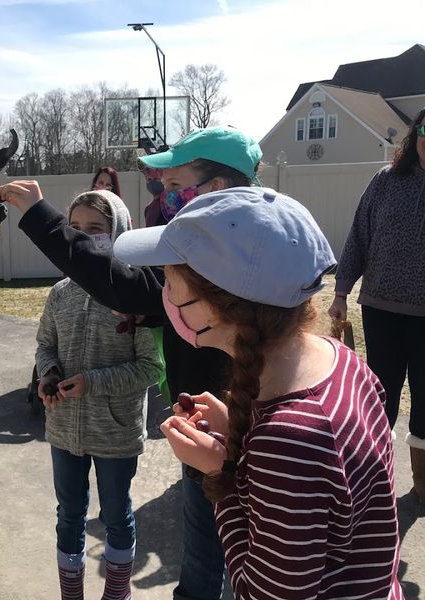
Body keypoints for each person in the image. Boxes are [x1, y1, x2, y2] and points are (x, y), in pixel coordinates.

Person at [0, 126, 262, 600]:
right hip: (207, 424)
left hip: (229, 429)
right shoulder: (238, 241)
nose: (169, 198)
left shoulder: (219, 255)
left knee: (225, 557)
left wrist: (42, 218)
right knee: (210, 553)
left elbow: (121, 282)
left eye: (179, 187)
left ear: (217, 189)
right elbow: (141, 298)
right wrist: (147, 314)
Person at [115, 187, 402, 599]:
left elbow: (262, 592)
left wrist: (218, 475)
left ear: (218, 305)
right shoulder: (343, 361)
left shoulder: (287, 440)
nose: (164, 294)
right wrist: (242, 428)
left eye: (170, 281)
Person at [36, 189, 161, 600]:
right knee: (68, 514)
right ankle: (71, 594)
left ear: (119, 232)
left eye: (96, 229)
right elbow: (45, 345)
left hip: (116, 430)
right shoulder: (60, 293)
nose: (84, 237)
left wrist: (93, 382)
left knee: (115, 514)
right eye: (75, 229)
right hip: (63, 429)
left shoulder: (136, 293)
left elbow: (151, 367)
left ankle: (116, 593)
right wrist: (48, 374)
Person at [328, 109, 425, 502]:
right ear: (414, 135)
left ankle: (422, 483)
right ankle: (374, 477)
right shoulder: (385, 182)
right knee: (380, 390)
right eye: (424, 131)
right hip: (380, 308)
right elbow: (358, 237)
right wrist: (340, 291)